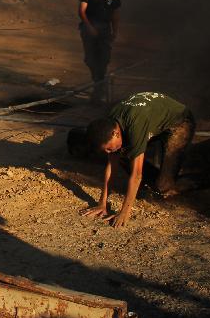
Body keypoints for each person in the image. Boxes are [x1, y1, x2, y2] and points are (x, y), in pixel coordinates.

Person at [81, 92, 195, 227]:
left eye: (108, 149)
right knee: (124, 154)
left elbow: (137, 175)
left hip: (181, 121)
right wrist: (102, 203)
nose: (108, 152)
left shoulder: (135, 125)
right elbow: (111, 166)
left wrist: (124, 212)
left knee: (164, 186)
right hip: (154, 119)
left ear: (116, 133)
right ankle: (155, 179)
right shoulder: (110, 122)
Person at [78, 0, 120, 103]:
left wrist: (115, 31)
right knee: (90, 60)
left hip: (105, 32)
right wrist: (90, 28)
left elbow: (114, 14)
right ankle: (98, 86)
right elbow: (82, 11)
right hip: (88, 31)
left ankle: (98, 89)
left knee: (103, 59)